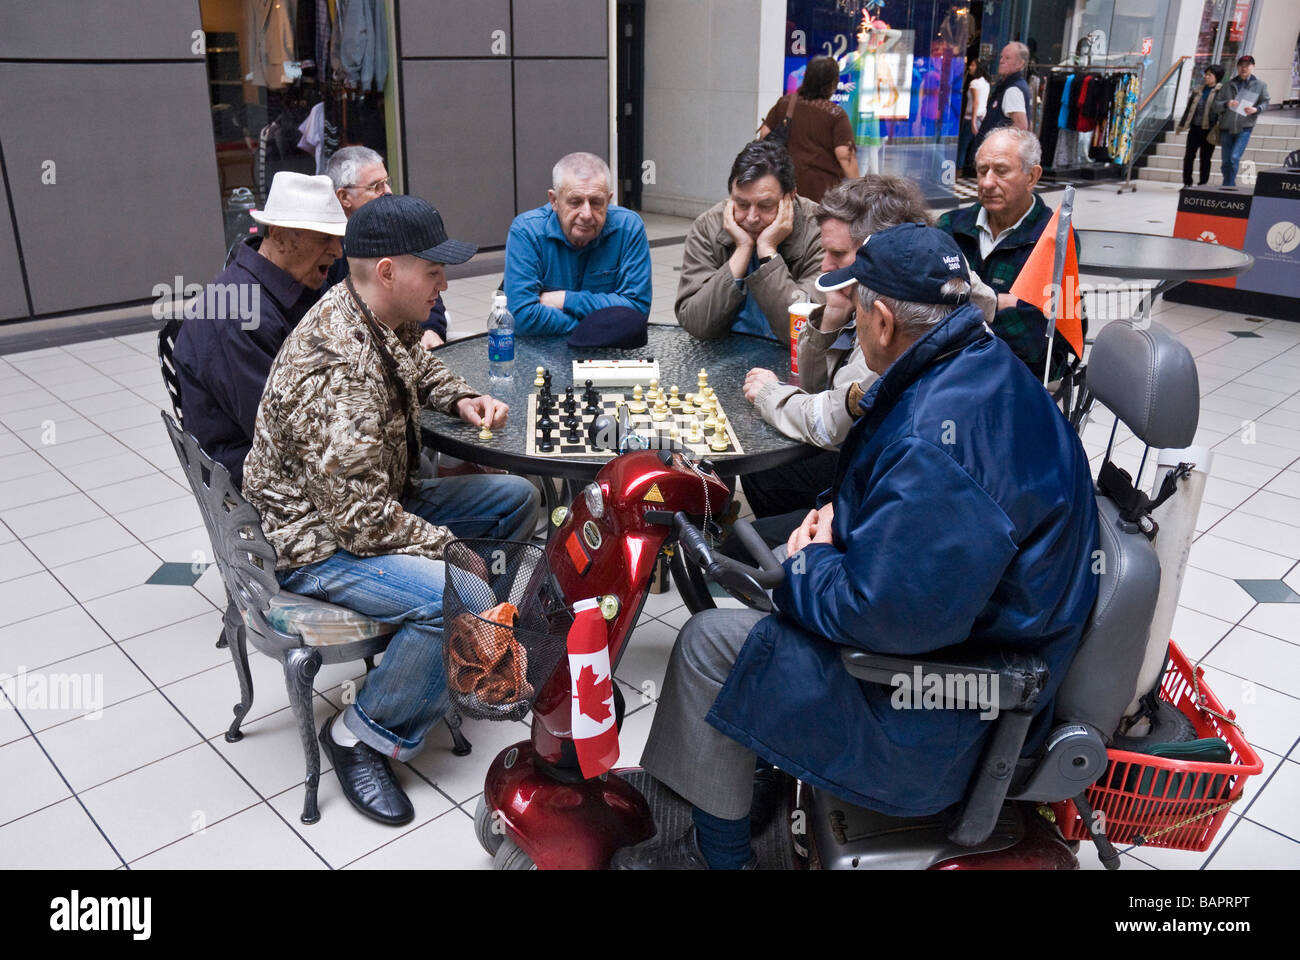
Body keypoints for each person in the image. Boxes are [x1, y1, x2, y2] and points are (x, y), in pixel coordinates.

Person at [612, 223, 1099, 870]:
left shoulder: (940, 443)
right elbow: (911, 529)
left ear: (883, 320)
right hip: (975, 650)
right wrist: (839, 522)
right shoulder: (973, 369)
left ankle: (722, 858)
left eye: (856, 310)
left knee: (708, 645)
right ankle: (750, 788)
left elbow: (882, 614)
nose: (850, 326)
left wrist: (811, 560)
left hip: (955, 710)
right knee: (766, 582)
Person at [242, 195, 540, 825]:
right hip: (317, 543)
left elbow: (414, 364)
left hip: (374, 497)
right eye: (433, 271)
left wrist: (459, 397)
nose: (444, 282)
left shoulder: (378, 312)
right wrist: (449, 553)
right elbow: (359, 522)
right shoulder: (338, 367)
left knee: (516, 499)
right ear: (387, 271)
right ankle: (361, 733)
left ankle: (463, 651)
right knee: (453, 594)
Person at [735, 175, 997, 528]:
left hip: (897, 489)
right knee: (769, 471)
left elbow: (833, 419)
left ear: (882, 250)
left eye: (838, 254)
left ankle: (788, 543)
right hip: (892, 473)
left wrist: (770, 394)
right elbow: (819, 389)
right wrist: (832, 316)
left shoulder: (901, 316)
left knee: (759, 503)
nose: (825, 266)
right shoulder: (891, 287)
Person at [173, 171, 345, 489]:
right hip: (275, 490)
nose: (337, 250)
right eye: (324, 237)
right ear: (278, 235)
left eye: (338, 237)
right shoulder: (239, 314)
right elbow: (288, 439)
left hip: (314, 462)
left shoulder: (302, 283)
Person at [937, 127, 1082, 381]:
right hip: (949, 371)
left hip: (1017, 376)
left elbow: (1035, 335)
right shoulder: (951, 226)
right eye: (982, 171)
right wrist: (1002, 302)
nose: (987, 182)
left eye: (1001, 171)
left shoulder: (1053, 238)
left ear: (1032, 176)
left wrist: (967, 305)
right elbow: (925, 303)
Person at [676, 140, 825, 341]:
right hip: (727, 349)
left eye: (765, 205)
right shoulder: (708, 226)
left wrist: (768, 252)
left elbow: (801, 334)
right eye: (742, 204)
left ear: (790, 197)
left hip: (789, 357)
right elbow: (696, 324)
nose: (752, 218)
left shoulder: (819, 230)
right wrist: (742, 251)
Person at [503, 152, 652, 337]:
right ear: (554, 201)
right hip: (543, 354)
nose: (587, 214)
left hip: (609, 352)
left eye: (597, 202)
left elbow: (636, 311)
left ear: (609, 200)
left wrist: (565, 299)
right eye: (575, 202)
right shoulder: (527, 231)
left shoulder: (629, 228)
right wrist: (596, 325)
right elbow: (521, 317)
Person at [324, 145, 448, 350]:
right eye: (376, 186)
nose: (388, 192)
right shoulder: (330, 249)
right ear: (344, 197)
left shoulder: (395, 229)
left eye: (387, 182)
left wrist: (430, 329)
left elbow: (428, 289)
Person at [758, 56, 857, 202]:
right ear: (833, 83)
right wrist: (859, 187)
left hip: (784, 183)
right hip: (820, 190)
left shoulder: (786, 103)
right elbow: (844, 155)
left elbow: (764, 134)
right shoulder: (836, 114)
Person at [1216, 55, 1270, 189]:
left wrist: (1256, 109)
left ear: (1253, 67)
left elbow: (1266, 102)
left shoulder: (1260, 85)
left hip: (1244, 127)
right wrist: (1227, 104)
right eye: (1241, 65)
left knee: (1234, 158)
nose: (1244, 68)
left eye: (1247, 65)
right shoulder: (1228, 85)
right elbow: (1215, 104)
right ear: (1237, 67)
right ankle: (1228, 184)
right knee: (1226, 162)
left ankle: (1228, 187)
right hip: (1226, 127)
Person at [971, 42, 1031, 156]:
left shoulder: (1013, 89)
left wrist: (999, 149)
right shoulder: (1008, 86)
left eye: (1007, 58)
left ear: (1020, 64)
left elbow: (1021, 126)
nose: (1002, 61)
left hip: (997, 157)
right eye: (1001, 57)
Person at [1176, 64, 1225, 189]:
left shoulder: (1221, 92)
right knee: (1189, 156)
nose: (1206, 77)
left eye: (1209, 75)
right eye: (1206, 74)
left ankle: (1203, 183)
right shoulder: (1198, 90)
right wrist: (1181, 126)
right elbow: (1189, 109)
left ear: (1217, 77)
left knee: (1205, 158)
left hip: (1210, 130)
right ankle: (1187, 182)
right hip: (1195, 128)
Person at [957, 60, 990, 177]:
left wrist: (972, 122)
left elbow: (975, 102)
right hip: (982, 118)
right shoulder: (986, 83)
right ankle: (976, 171)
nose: (970, 67)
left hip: (971, 117)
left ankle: (958, 170)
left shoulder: (974, 83)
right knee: (976, 146)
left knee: (963, 146)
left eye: (972, 65)